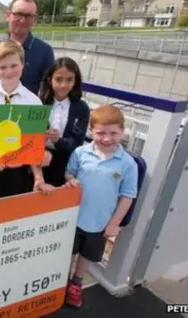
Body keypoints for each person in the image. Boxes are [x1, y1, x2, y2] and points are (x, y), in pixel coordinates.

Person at [64, 105, 138, 308]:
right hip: (73, 217)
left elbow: (127, 196)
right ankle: (61, 281)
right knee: (66, 252)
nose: (107, 138)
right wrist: (70, 180)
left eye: (113, 133)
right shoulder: (80, 153)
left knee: (87, 255)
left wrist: (114, 224)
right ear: (91, 131)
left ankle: (76, 283)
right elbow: (69, 173)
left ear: (122, 131)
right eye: (101, 133)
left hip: (99, 222)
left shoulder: (127, 163)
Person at [0, 39, 54, 202]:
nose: (9, 71)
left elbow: (34, 142)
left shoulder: (33, 102)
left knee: (12, 222)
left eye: (14, 65)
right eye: (2, 67)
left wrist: (39, 177)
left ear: (23, 64)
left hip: (18, 174)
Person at [0, 0, 55, 95]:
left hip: (29, 109)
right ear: (8, 15)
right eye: (19, 14)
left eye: (29, 16)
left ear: (35, 19)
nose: (23, 20)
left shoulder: (45, 52)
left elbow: (48, 90)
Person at [39, 57, 90, 187]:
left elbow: (76, 143)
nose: (63, 85)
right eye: (58, 79)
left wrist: (58, 140)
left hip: (65, 163)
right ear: (50, 80)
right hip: (39, 159)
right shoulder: (39, 102)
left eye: (69, 80)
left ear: (75, 81)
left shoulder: (81, 108)